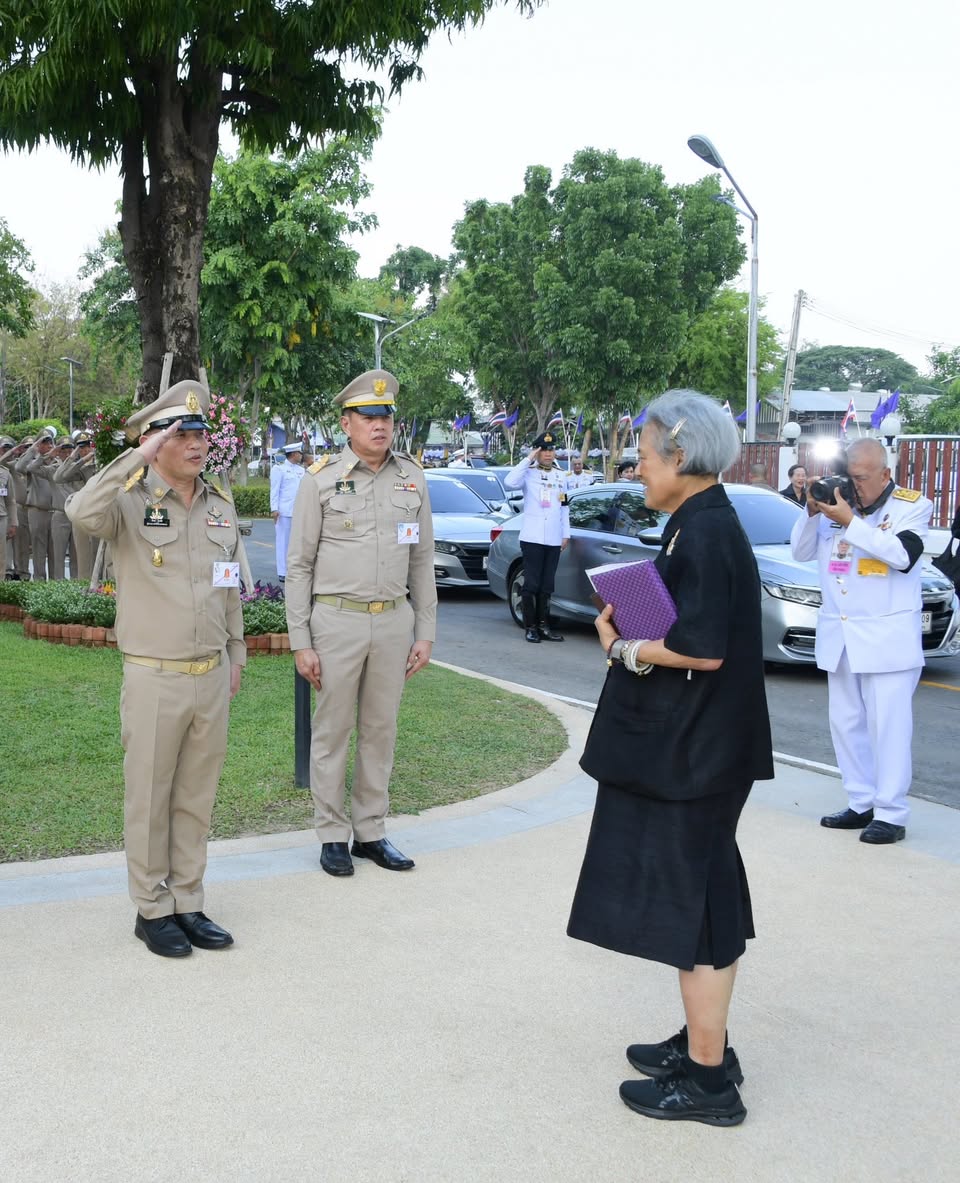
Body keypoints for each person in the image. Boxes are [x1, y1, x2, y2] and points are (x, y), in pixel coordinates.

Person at [568, 389, 773, 1127]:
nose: (638, 469)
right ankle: (702, 1044)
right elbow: (688, 623)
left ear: (680, 457)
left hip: (701, 753)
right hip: (703, 746)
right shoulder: (696, 523)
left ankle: (709, 1080)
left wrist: (623, 644)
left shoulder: (709, 532)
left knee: (701, 911)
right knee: (705, 901)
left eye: (645, 455)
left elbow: (701, 648)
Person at [66, 378, 246, 957]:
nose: (196, 442)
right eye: (181, 432)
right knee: (149, 796)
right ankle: (151, 908)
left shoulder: (219, 503)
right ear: (156, 440)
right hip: (154, 675)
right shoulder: (128, 501)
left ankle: (188, 900)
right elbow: (80, 508)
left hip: (209, 675)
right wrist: (136, 457)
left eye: (201, 432)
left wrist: (236, 653)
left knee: (196, 796)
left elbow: (231, 588)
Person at [285, 369, 436, 878]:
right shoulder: (321, 479)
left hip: (393, 622)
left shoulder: (412, 477)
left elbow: (422, 560)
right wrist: (300, 640)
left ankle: (370, 830)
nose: (380, 425)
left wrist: (426, 631)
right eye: (368, 417)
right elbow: (299, 565)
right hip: (337, 621)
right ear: (347, 422)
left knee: (380, 730)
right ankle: (331, 833)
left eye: (386, 416)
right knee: (333, 730)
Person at [790, 436, 932, 845]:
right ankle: (861, 802)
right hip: (842, 636)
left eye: (863, 479)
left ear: (885, 473)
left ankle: (891, 812)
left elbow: (902, 557)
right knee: (847, 724)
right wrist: (812, 510)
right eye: (850, 477)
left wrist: (852, 520)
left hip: (887, 642)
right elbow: (800, 552)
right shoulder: (835, 504)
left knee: (887, 728)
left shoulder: (912, 506)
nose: (856, 486)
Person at [504, 431, 570, 643]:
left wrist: (565, 534)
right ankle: (530, 626)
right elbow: (509, 481)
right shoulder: (528, 473)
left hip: (552, 537)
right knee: (531, 583)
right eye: (544, 450)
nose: (548, 454)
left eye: (551, 450)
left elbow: (565, 508)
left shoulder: (561, 475)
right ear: (537, 451)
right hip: (532, 537)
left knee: (547, 584)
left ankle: (544, 625)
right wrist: (528, 458)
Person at [53, 433, 98, 581]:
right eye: (81, 447)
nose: (85, 450)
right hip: (84, 514)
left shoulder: (102, 463)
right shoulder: (80, 467)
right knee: (84, 556)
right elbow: (59, 477)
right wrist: (77, 457)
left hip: (100, 513)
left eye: (87, 446)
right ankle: (84, 585)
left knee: (99, 555)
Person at [16, 429, 56, 579]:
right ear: (38, 444)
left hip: (55, 511)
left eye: (50, 441)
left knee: (55, 552)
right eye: (44, 442)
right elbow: (19, 467)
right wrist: (34, 450)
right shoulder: (33, 462)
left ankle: (56, 583)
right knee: (39, 551)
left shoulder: (56, 461)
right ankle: (39, 581)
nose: (48, 445)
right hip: (37, 510)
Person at [270, 441, 306, 583]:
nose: (301, 456)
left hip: (299, 511)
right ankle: (282, 571)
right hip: (284, 511)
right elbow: (275, 490)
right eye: (299, 453)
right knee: (283, 542)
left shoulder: (301, 470)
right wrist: (274, 509)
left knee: (297, 542)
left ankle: (294, 569)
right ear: (293, 454)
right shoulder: (279, 469)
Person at [0, 437, 18, 578]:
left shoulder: (5, 473)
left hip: (1, 517)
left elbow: (11, 501)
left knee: (1, 555)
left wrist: (13, 523)